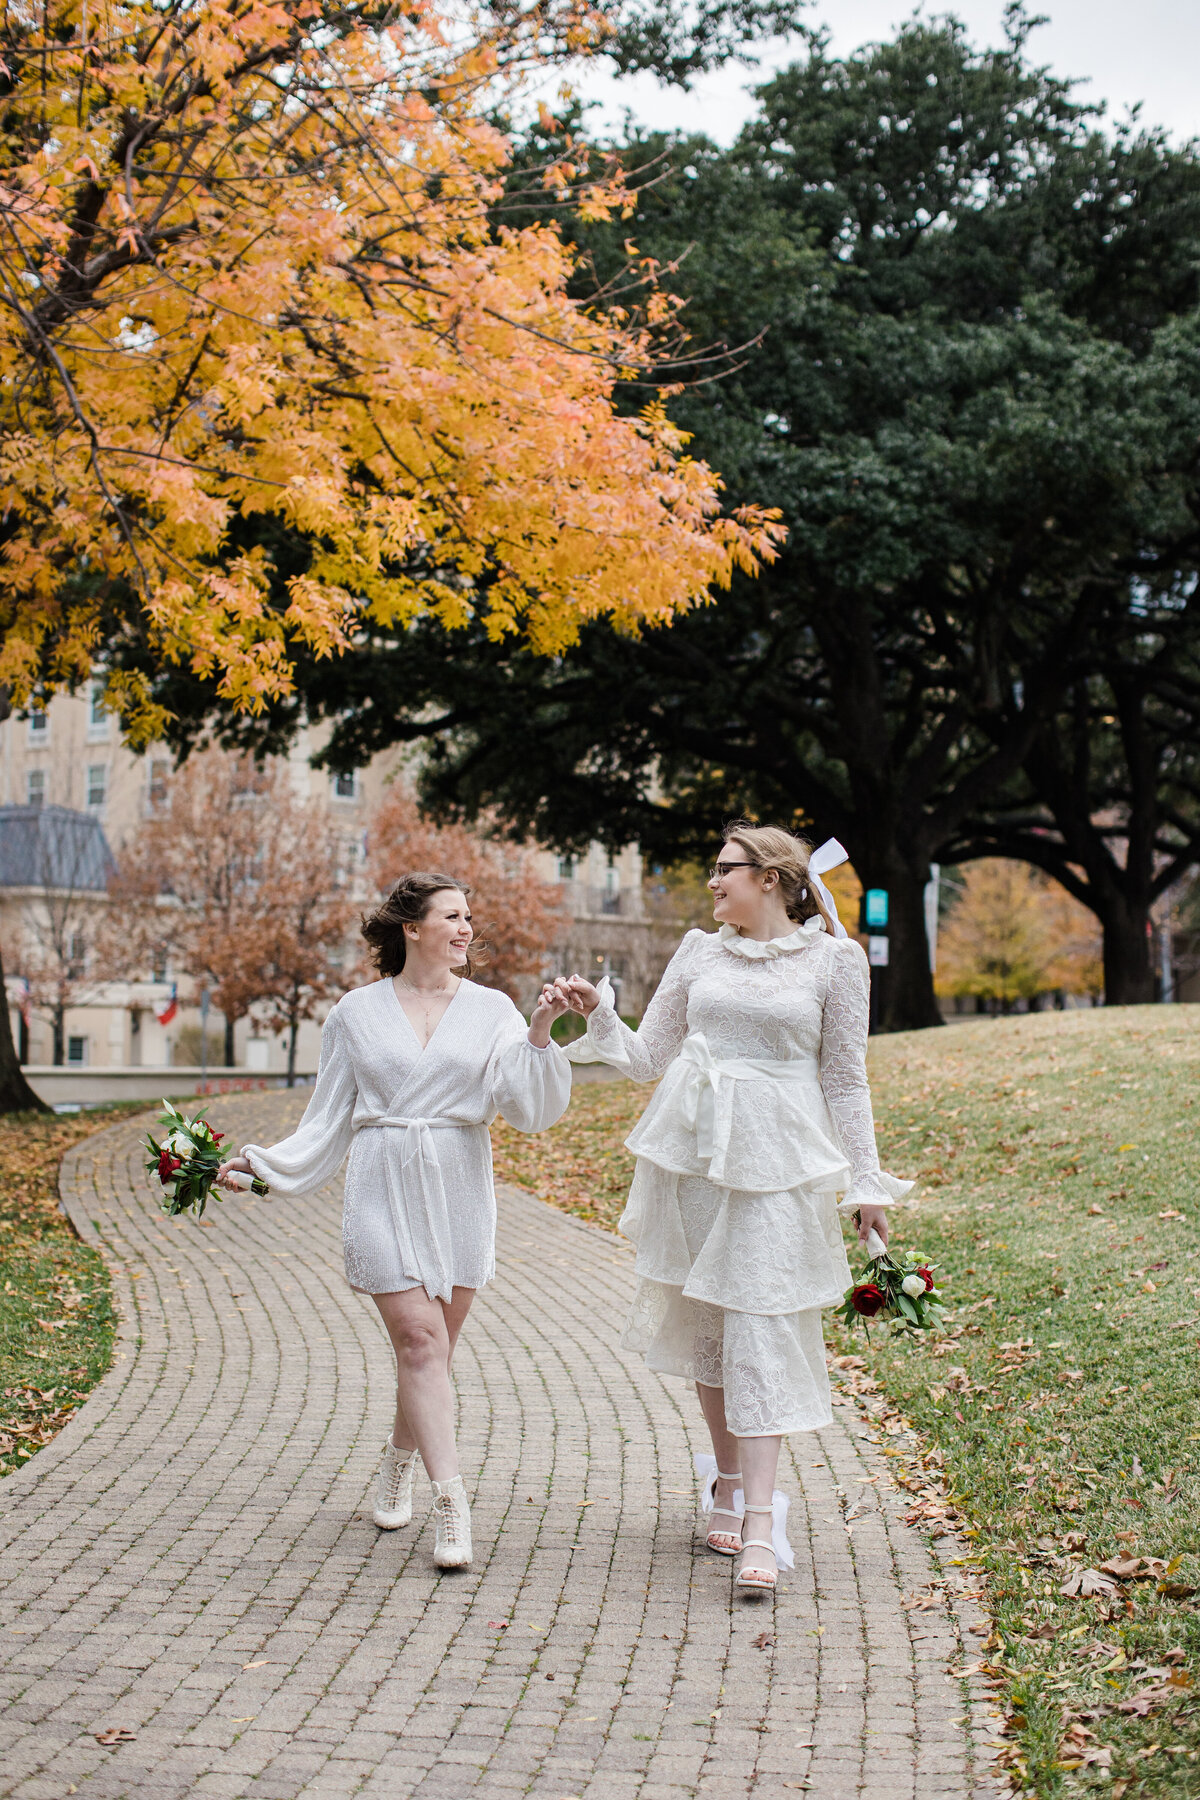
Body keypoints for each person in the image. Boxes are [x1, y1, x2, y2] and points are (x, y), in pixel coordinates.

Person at [554, 823, 912, 1593]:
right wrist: (598, 1012)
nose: (713, 884)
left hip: (779, 1164)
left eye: (726, 871)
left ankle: (760, 1519)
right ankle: (725, 1478)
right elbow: (650, 1057)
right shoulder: (698, 950)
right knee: (712, 1322)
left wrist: (867, 1181)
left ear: (775, 879)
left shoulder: (836, 962)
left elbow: (846, 1080)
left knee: (759, 1323)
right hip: (695, 1157)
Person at [217, 871, 572, 1570]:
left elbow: (528, 1108)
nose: (467, 928)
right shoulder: (355, 1012)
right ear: (412, 929)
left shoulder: (494, 1009)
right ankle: (452, 1503)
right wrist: (264, 1165)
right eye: (452, 916)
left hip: (458, 1185)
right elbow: (327, 1118)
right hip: (381, 1181)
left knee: (432, 1353)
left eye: (470, 916)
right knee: (418, 1341)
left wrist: (537, 1030)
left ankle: (396, 1464)